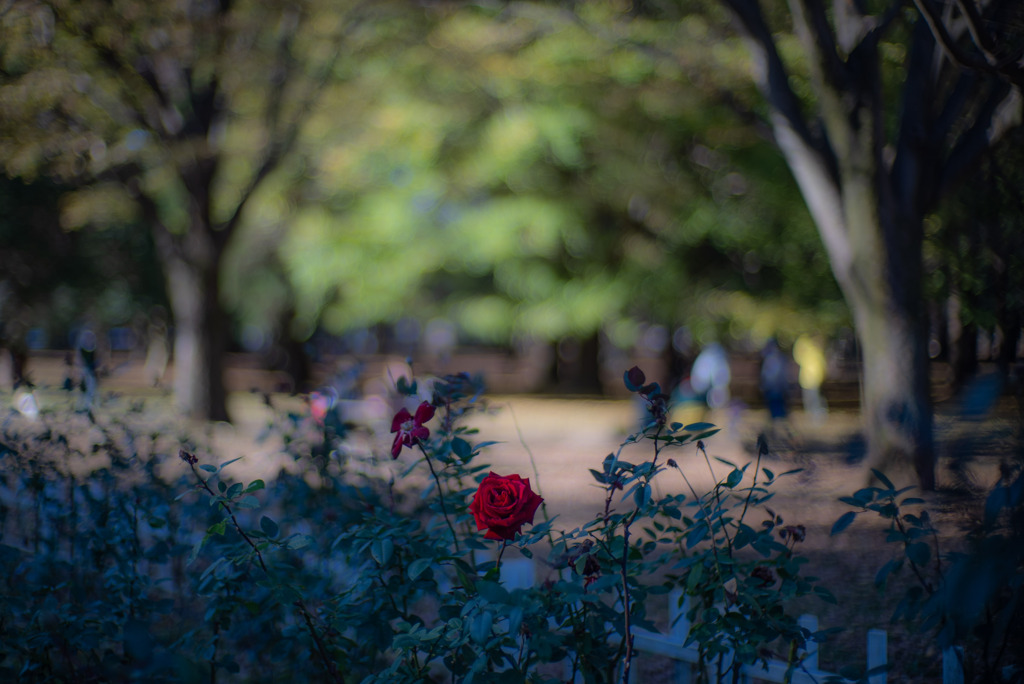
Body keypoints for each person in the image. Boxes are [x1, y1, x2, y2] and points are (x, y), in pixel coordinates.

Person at [793, 333, 828, 423]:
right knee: (810, 400)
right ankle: (813, 417)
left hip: (813, 380)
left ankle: (817, 417)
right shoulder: (810, 351)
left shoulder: (815, 352)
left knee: (815, 399)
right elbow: (798, 355)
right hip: (808, 380)